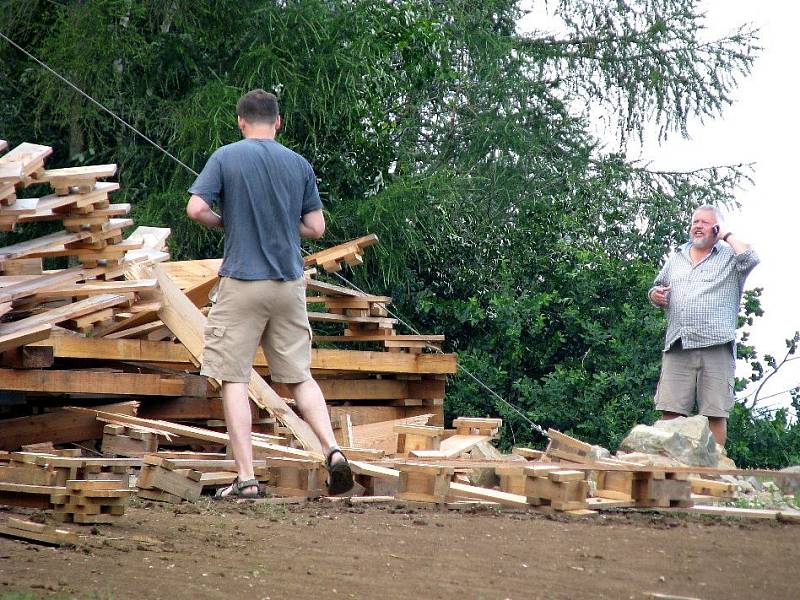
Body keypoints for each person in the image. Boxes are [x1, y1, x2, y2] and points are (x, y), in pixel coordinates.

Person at [186, 89, 353, 497]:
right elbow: (316, 228)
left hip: (243, 282)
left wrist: (226, 221)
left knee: (234, 378)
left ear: (241, 121)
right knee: (299, 376)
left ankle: (246, 480)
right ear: (278, 122)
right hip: (288, 284)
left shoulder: (226, 156)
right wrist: (283, 224)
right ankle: (332, 450)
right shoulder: (298, 164)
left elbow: (195, 209)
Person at [648, 204, 759, 446]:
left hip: (716, 345)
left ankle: (714, 472)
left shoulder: (730, 256)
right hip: (679, 343)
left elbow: (752, 259)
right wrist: (655, 295)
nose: (697, 226)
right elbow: (657, 287)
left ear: (717, 228)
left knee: (715, 413)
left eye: (705, 223)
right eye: (695, 222)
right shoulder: (677, 256)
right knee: (670, 410)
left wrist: (726, 236)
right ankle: (669, 469)